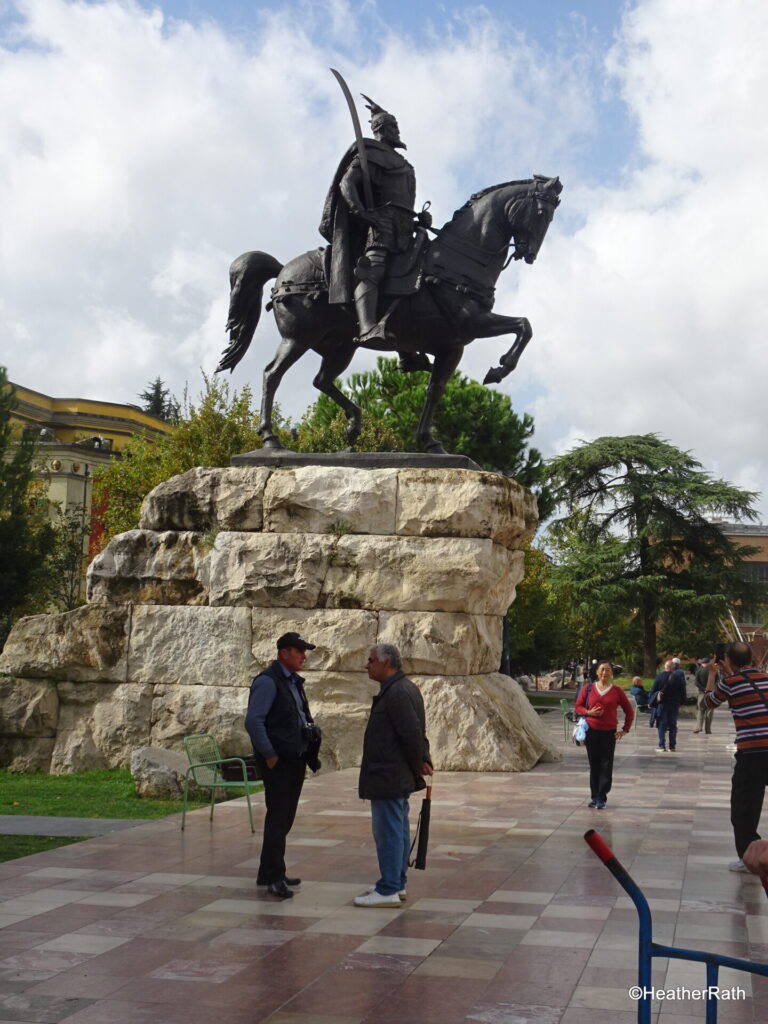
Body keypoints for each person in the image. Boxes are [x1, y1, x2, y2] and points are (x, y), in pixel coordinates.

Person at [320, 95, 430, 345]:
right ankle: (368, 327)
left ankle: (407, 346)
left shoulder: (402, 162)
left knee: (419, 274)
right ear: (382, 130)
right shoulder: (371, 154)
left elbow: (401, 202)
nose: (397, 131)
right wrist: (363, 213)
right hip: (380, 228)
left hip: (403, 228)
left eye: (397, 127)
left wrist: (419, 220)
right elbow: (347, 183)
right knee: (373, 271)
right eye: (393, 127)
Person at [354, 643, 432, 908]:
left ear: (386, 663)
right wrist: (421, 760)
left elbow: (412, 733)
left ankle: (388, 888)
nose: (367, 664)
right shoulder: (404, 688)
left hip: (389, 775)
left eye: (371, 660)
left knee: (388, 832)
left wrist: (418, 763)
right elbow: (418, 732)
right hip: (394, 775)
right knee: (396, 829)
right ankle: (395, 884)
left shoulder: (397, 692)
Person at [245, 632, 321, 899]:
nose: (304, 656)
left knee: (285, 818)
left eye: (304, 651)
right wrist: (270, 754)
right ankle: (273, 876)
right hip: (279, 761)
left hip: (294, 758)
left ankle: (271, 869)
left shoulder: (292, 682)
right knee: (278, 818)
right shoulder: (268, 682)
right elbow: (254, 721)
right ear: (284, 653)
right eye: (299, 651)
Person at [704, 641, 768, 872]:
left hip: (752, 753)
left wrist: (713, 674)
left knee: (743, 808)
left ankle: (748, 855)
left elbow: (708, 702)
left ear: (727, 660)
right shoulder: (765, 678)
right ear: (751, 658)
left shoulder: (730, 683)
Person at [574, 660, 633, 810]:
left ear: (612, 673)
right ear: (597, 672)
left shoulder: (617, 691)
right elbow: (578, 706)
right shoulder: (588, 688)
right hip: (591, 731)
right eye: (602, 670)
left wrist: (625, 729)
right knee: (594, 764)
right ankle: (594, 796)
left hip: (609, 733)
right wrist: (588, 712)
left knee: (606, 765)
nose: (605, 672)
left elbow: (629, 711)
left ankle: (602, 797)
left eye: (608, 670)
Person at [649, 659, 686, 752]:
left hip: (662, 704)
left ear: (665, 667)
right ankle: (672, 746)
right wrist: (682, 702)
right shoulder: (678, 678)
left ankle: (661, 745)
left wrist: (650, 702)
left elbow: (653, 690)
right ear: (673, 668)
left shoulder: (659, 677)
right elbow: (683, 691)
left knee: (662, 724)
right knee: (673, 725)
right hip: (674, 704)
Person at [693, 657, 715, 734]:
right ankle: (708, 729)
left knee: (700, 710)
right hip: (711, 693)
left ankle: (699, 727)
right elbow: (718, 681)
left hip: (702, 693)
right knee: (709, 711)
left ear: (702, 663)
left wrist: (704, 689)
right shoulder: (713, 670)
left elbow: (696, 683)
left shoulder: (698, 670)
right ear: (709, 663)